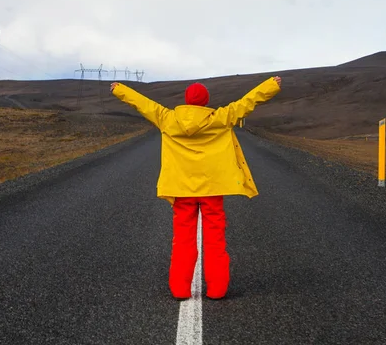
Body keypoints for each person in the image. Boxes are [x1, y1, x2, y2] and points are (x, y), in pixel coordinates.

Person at [110, 76, 281, 300]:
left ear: (186, 101)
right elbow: (248, 102)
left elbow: (142, 103)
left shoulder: (167, 118)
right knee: (215, 240)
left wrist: (119, 89)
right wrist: (272, 85)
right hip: (212, 188)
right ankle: (218, 290)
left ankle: (180, 289)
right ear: (206, 101)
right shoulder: (220, 117)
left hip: (182, 190)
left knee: (182, 240)